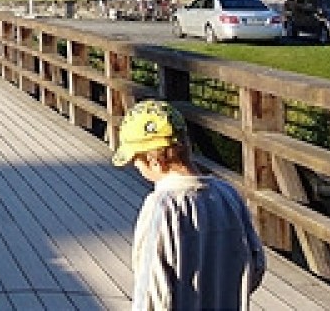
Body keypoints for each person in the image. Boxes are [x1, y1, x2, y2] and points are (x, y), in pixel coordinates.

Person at [112, 100, 265, 311]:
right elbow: (256, 264)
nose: (135, 167)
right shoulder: (228, 195)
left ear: (153, 160)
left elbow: (153, 291)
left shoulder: (161, 208)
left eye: (135, 160)